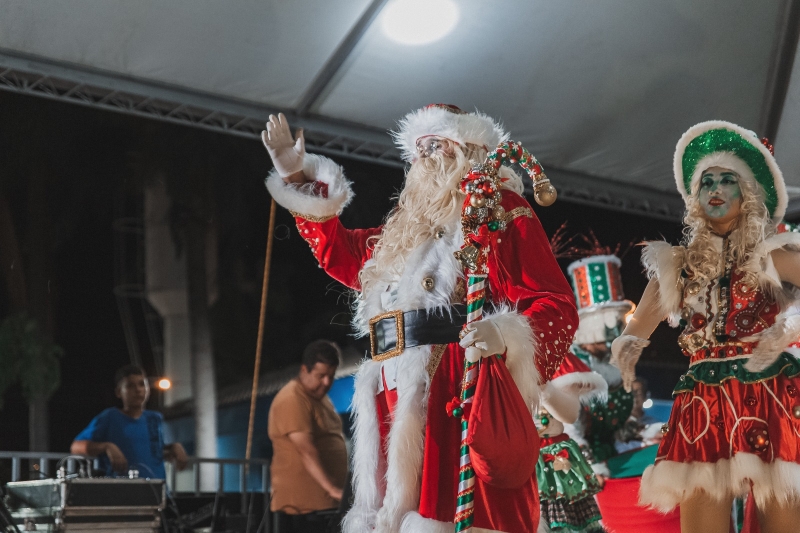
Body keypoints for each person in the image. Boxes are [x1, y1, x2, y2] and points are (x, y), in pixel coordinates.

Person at [261, 105, 578, 532]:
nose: (426, 156)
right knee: (392, 512)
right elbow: (340, 253)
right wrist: (297, 177)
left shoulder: (496, 209)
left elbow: (554, 303)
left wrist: (504, 335)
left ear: (469, 151)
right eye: (420, 148)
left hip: (453, 388)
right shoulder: (403, 233)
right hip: (390, 388)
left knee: (446, 515)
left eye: (438, 144)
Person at [611, 121, 800, 533]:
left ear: (746, 192)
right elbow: (640, 321)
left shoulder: (773, 253)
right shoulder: (677, 264)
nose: (714, 189)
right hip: (703, 397)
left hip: (770, 391)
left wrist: (788, 328)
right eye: (706, 182)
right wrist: (626, 345)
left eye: (726, 180)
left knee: (781, 520)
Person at [563, 253, 634, 479]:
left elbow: (616, 426)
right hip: (576, 469)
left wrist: (643, 433)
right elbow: (570, 431)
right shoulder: (569, 367)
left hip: (610, 460)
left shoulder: (616, 364)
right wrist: (590, 466)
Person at [267, 340, 348, 533]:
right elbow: (306, 451)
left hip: (325, 506)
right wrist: (332, 490)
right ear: (305, 370)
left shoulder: (321, 398)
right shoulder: (292, 399)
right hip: (302, 511)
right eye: (321, 376)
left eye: (331, 376)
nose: (327, 382)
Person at [71, 365, 188, 478]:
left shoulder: (155, 418)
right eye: (130, 386)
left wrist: (174, 448)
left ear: (148, 389)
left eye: (142, 384)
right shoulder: (110, 417)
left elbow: (153, 452)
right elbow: (76, 447)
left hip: (156, 489)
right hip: (122, 489)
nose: (138, 390)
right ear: (118, 392)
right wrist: (106, 447)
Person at [535, 352, 607, 533]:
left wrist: (545, 390)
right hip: (521, 455)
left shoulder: (560, 361)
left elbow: (570, 415)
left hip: (554, 456)